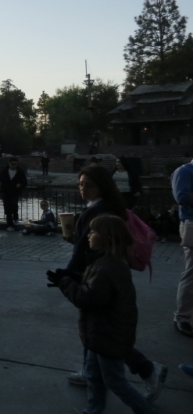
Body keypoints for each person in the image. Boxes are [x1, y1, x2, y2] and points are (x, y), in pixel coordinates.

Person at [65, 165, 165, 400]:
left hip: (98, 275)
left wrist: (67, 275)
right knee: (97, 329)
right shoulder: (110, 206)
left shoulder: (96, 211)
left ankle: (147, 369)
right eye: (80, 184)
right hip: (110, 272)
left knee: (102, 333)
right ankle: (90, 371)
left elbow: (82, 251)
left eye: (88, 185)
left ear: (101, 186)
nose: (82, 189)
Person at [50, 215, 156, 413]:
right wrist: (74, 277)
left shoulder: (106, 267)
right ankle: (93, 410)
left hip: (107, 335)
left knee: (115, 381)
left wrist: (65, 283)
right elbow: (94, 285)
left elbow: (88, 298)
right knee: (93, 375)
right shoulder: (109, 263)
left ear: (106, 238)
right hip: (101, 333)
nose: (88, 235)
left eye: (93, 231)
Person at [170, 158, 193, 338]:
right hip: (191, 223)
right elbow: (182, 197)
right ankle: (182, 317)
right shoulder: (184, 171)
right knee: (192, 272)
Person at [0, 157, 27, 231]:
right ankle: (9, 224)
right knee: (7, 208)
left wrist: (20, 184)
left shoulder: (20, 172)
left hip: (15, 191)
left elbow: (24, 182)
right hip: (6, 192)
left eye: (15, 164)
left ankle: (15, 218)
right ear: (9, 164)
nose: (14, 166)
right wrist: (0, 185)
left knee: (14, 204)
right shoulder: (4, 171)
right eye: (12, 164)